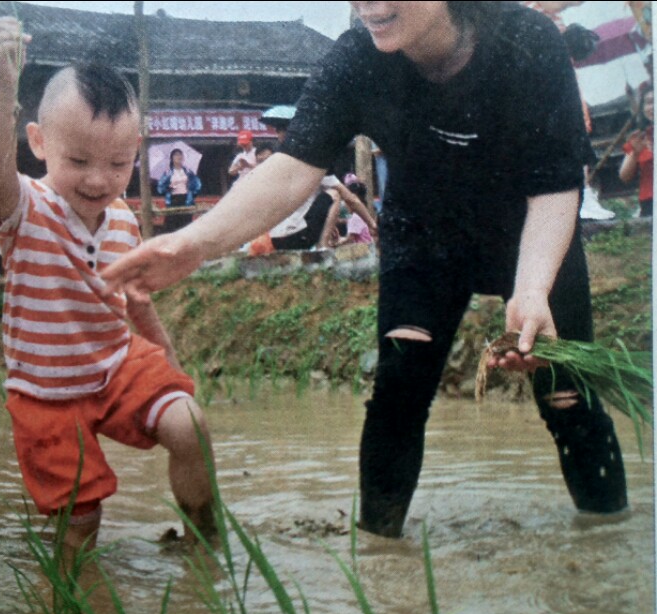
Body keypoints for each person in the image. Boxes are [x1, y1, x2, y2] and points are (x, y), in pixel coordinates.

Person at [103, 2, 628, 539]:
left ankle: (607, 544)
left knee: (569, 399)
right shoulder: (359, 59)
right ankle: (381, 564)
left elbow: (556, 186)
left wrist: (534, 287)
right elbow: (290, 172)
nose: (368, 4)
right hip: (425, 237)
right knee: (398, 394)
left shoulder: (527, 42)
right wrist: (191, 245)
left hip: (536, 232)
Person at [0, 17, 215, 555]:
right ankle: (66, 609)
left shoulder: (124, 222)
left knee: (190, 426)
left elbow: (136, 302)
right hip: (45, 393)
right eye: (79, 160)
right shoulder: (26, 208)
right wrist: (2, 85)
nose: (98, 179)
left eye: (117, 163)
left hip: (115, 366)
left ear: (136, 151)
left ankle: (205, 544)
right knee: (81, 523)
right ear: (39, 143)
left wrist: (170, 365)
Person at [620, 83, 653, 218]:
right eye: (649, 102)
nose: (653, 107)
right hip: (650, 201)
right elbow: (624, 177)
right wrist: (635, 154)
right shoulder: (640, 137)